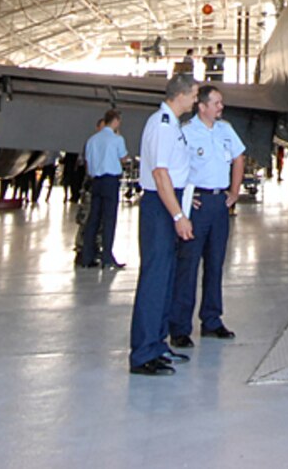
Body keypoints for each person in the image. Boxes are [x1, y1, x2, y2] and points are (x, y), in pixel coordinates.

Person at [127, 74, 198, 375]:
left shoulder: (173, 125)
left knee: (166, 278)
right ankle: (143, 353)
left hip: (170, 201)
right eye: (194, 95)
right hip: (160, 208)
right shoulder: (162, 125)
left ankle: (157, 344)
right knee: (155, 278)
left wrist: (183, 203)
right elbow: (160, 175)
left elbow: (174, 173)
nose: (196, 100)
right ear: (180, 95)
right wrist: (178, 215)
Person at [169, 84, 245, 346]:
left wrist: (234, 192)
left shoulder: (226, 129)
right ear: (202, 107)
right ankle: (179, 326)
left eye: (221, 103)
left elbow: (238, 157)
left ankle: (212, 319)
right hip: (197, 205)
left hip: (219, 204)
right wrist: (186, 198)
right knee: (187, 265)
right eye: (216, 103)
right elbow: (174, 167)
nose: (221, 107)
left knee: (215, 264)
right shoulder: (187, 132)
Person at [78, 108, 126, 269]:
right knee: (109, 219)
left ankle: (87, 257)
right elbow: (123, 158)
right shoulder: (117, 139)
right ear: (116, 121)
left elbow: (88, 161)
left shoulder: (92, 140)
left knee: (93, 219)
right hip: (110, 181)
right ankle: (107, 257)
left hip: (95, 181)